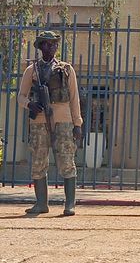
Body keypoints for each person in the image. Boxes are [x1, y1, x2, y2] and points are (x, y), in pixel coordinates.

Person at [17, 30, 83, 216]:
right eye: (47, 43)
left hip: (63, 120)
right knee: (39, 160)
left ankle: (69, 204)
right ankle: (41, 204)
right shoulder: (32, 70)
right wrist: (30, 104)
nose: (52, 46)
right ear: (41, 47)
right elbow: (21, 96)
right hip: (39, 121)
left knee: (66, 160)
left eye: (54, 43)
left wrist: (77, 124)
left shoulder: (66, 69)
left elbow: (74, 98)